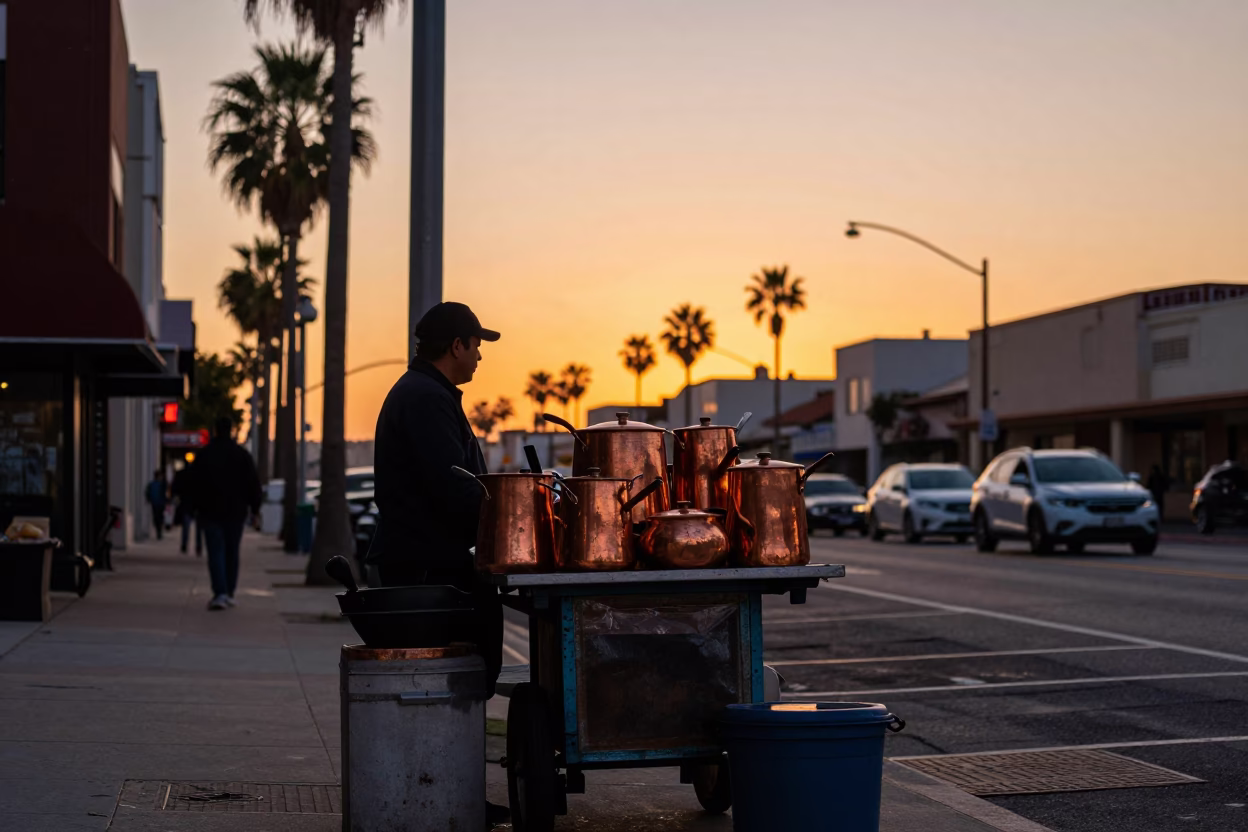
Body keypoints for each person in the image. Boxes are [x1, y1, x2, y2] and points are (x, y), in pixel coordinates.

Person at [188, 416, 262, 611]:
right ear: (231, 430)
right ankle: (229, 591)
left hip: (209, 511)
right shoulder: (242, 456)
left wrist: (192, 507)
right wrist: (255, 509)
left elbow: (193, 484)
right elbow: (253, 484)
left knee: (215, 552)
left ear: (215, 430)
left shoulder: (204, 455)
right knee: (232, 551)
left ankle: (220, 592)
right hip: (235, 512)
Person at [171, 464, 203, 556]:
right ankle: (198, 547)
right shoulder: (199, 475)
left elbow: (175, 488)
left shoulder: (182, 475)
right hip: (198, 505)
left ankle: (184, 545)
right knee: (198, 528)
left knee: (186, 526)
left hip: (186, 504)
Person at [145, 470, 167, 541]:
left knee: (157, 518)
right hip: (160, 503)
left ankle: (158, 531)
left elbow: (147, 492)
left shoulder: (151, 484)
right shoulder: (161, 484)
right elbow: (165, 494)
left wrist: (148, 499)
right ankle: (159, 532)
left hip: (155, 503)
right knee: (160, 518)